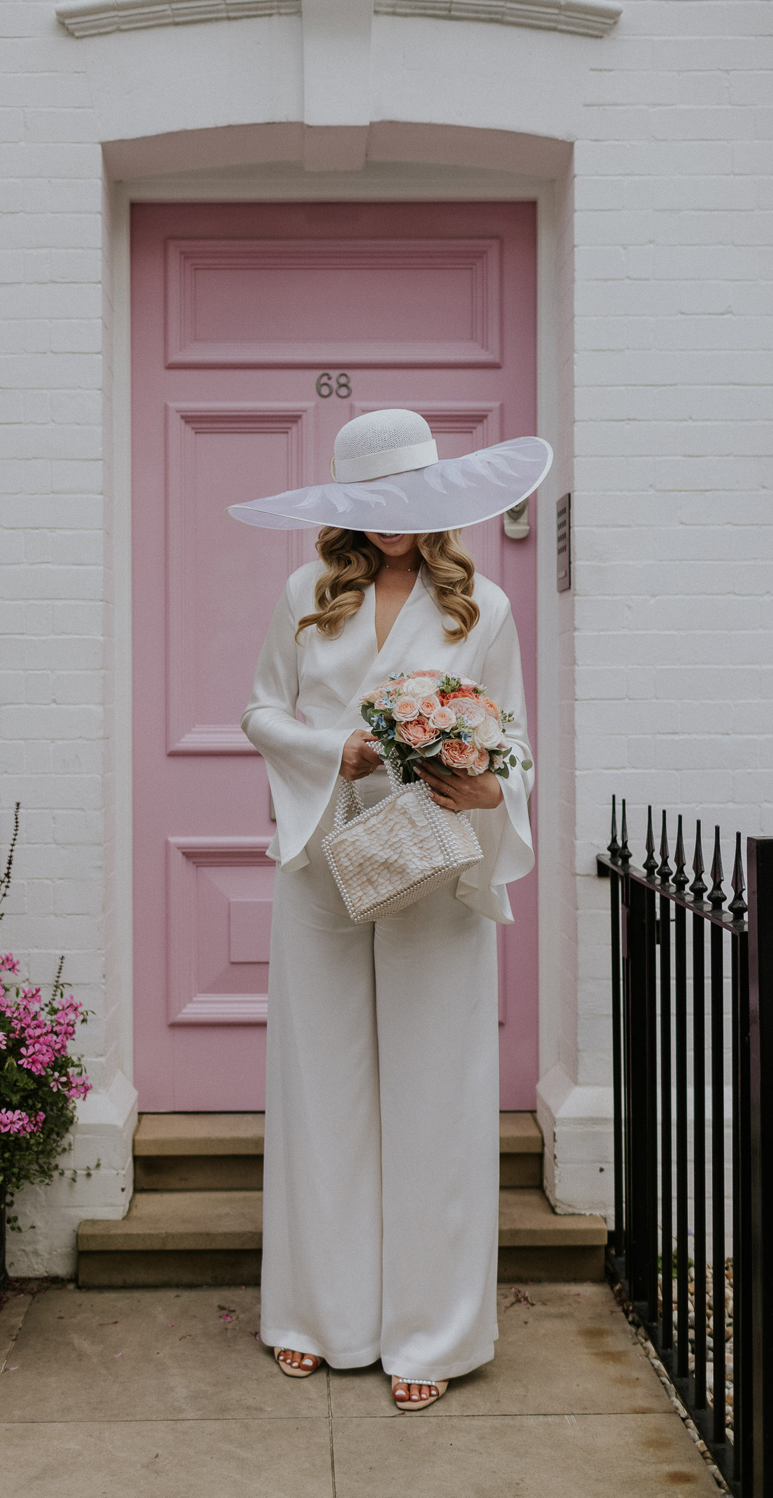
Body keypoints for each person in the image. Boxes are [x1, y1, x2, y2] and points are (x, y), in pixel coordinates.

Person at [228, 410, 551, 1409]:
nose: (398, 518)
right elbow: (257, 708)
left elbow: (516, 749)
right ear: (348, 508)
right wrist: (338, 751)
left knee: (435, 1092)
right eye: (377, 501)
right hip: (325, 856)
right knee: (320, 1084)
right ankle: (317, 1315)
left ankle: (433, 1334)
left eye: (413, 495)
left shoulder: (481, 607)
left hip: (435, 867)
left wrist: (486, 786)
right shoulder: (305, 597)